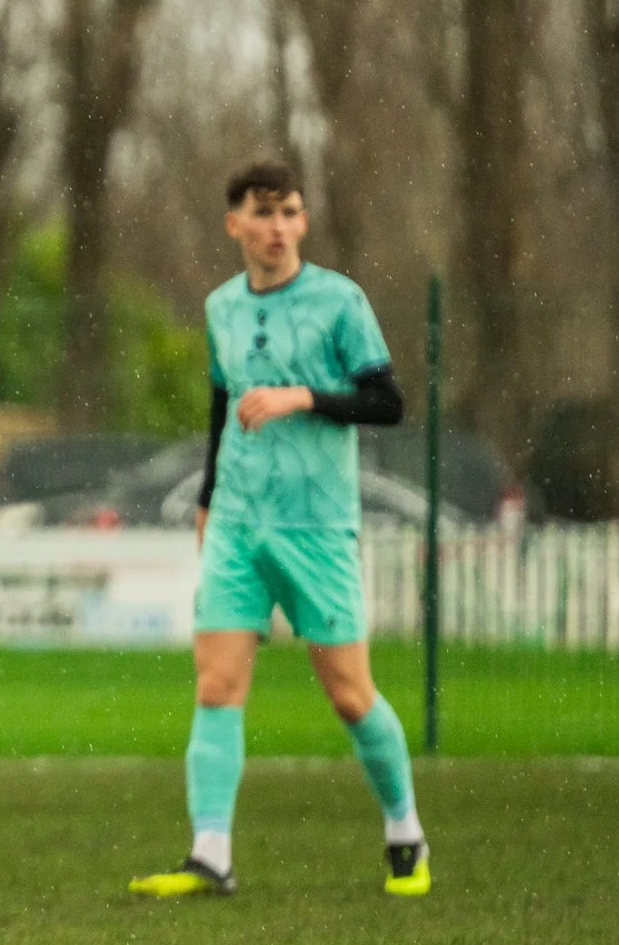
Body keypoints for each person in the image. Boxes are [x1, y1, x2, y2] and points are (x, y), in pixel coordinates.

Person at [130, 160, 428, 899]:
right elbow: (221, 404)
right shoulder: (221, 306)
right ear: (234, 224)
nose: (279, 227)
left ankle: (406, 831)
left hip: (315, 527)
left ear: (304, 221)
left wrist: (302, 396)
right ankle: (211, 854)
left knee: (350, 694)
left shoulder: (339, 301)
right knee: (216, 683)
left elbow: (388, 402)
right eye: (263, 214)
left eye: (290, 212)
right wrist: (207, 499)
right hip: (238, 523)